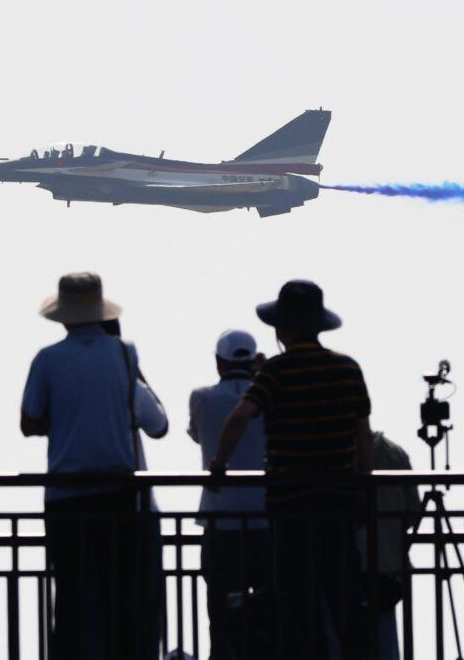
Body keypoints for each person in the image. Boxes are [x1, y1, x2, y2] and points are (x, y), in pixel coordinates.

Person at [210, 279, 372, 660]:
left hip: (291, 506)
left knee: (299, 602)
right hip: (339, 503)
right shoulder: (347, 368)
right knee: (344, 599)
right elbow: (362, 436)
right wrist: (365, 490)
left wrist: (219, 464)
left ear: (282, 329)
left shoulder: (275, 372)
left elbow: (241, 417)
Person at [21, 273, 154, 660]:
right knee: (120, 597)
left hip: (66, 494)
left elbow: (29, 422)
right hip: (118, 490)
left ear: (63, 315)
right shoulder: (126, 353)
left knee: (71, 598)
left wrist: (61, 420)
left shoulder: (47, 359)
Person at [187, 329, 269, 660]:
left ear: (219, 362)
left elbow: (195, 434)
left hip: (219, 518)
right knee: (266, 604)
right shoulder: (268, 397)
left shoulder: (202, 397)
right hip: (264, 516)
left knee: (219, 609)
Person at [103, 317, 170, 660]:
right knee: (143, 604)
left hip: (79, 507)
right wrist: (137, 374)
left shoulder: (62, 370)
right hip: (136, 509)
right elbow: (160, 425)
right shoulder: (129, 385)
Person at [357, 429, 421, 660]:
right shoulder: (395, 454)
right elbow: (414, 512)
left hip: (350, 566)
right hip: (389, 568)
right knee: (385, 643)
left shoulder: (341, 456)